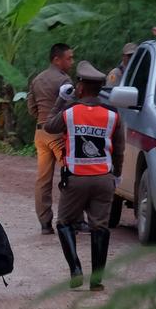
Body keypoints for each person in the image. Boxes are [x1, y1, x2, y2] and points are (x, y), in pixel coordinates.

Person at [44, 61, 124, 290]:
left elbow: (48, 126)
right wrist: (116, 175)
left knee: (65, 223)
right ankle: (97, 280)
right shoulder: (113, 115)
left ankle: (76, 269)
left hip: (75, 178)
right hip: (103, 178)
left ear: (80, 88)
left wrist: (61, 99)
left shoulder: (69, 113)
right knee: (100, 227)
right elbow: (119, 149)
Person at [27, 43, 74, 233]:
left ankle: (45, 223)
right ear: (57, 59)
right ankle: (70, 220)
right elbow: (70, 110)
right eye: (69, 58)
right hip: (58, 135)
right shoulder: (65, 81)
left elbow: (31, 109)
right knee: (70, 176)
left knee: (43, 180)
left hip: (40, 133)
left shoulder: (37, 80)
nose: (71, 62)